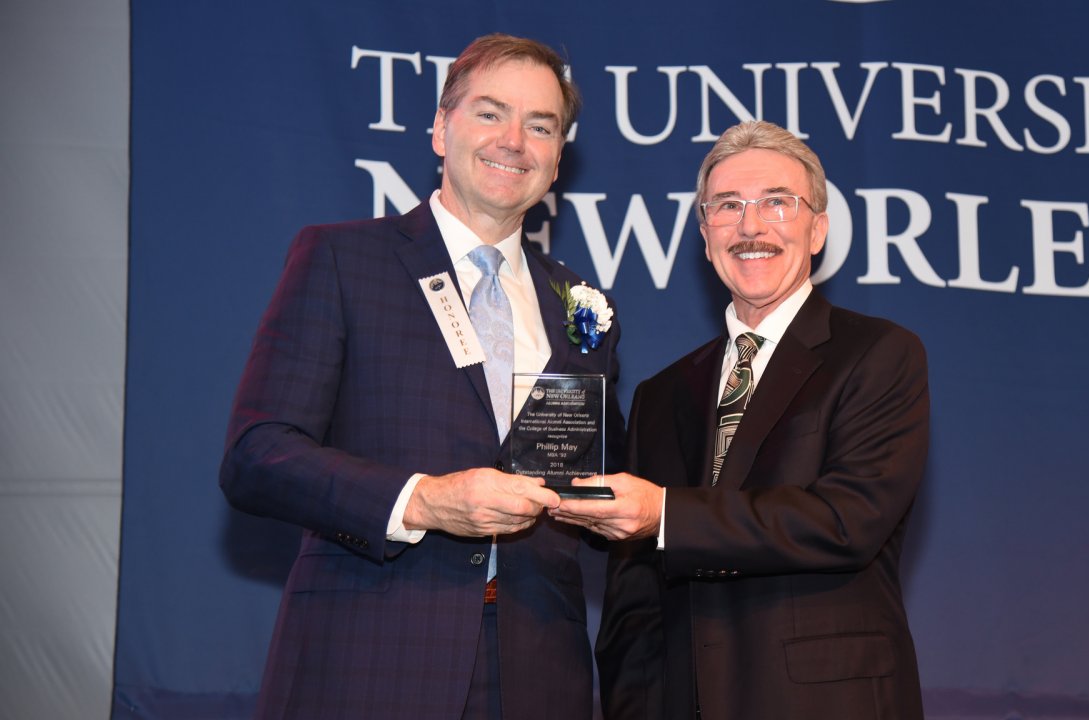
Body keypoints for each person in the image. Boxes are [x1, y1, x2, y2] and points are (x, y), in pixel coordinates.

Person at [220, 33, 624, 720]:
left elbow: (598, 476)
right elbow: (258, 455)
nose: (515, 141)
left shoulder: (584, 307)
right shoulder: (345, 259)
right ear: (440, 129)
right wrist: (424, 500)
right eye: (490, 113)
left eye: (541, 126)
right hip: (371, 653)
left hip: (538, 665)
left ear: (558, 159)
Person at [552, 120, 929, 720]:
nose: (750, 226)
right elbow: (634, 604)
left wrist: (665, 514)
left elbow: (846, 520)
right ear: (705, 236)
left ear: (818, 230)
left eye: (778, 203)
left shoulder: (879, 354)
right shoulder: (661, 394)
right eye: (727, 206)